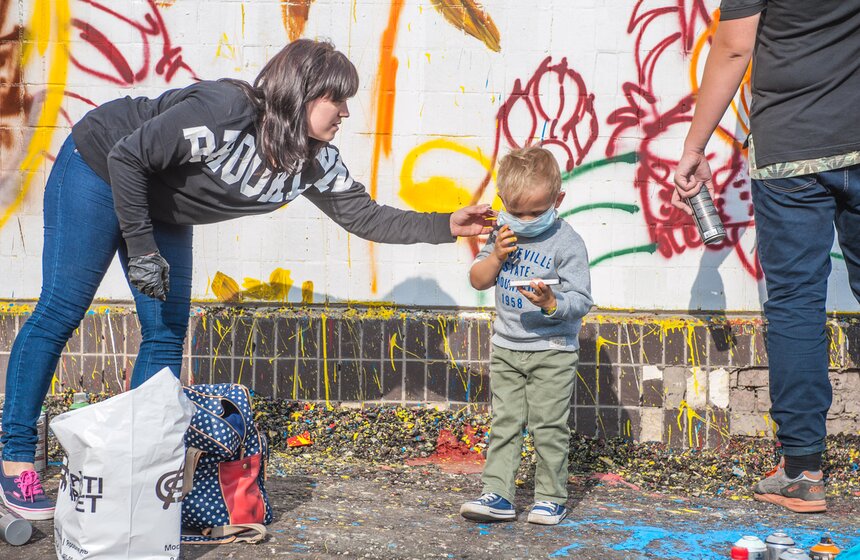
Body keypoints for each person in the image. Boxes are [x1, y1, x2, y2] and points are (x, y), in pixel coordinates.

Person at [0, 38, 494, 520]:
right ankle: (16, 459)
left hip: (166, 206)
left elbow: (366, 218)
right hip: (100, 168)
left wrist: (445, 224)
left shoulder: (313, 161)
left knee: (167, 331)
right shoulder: (226, 109)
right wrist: (143, 247)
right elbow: (128, 157)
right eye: (336, 99)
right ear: (301, 93)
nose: (345, 112)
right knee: (62, 309)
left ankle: (140, 467)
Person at [673, 1, 860, 514]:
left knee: (797, 303)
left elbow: (734, 46)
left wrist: (694, 147)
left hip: (792, 149)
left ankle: (802, 472)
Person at [459, 146, 593, 525]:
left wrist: (552, 303)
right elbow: (478, 279)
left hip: (552, 350)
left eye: (536, 211)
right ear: (503, 203)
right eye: (517, 211)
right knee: (504, 423)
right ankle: (498, 494)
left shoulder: (567, 242)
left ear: (558, 201)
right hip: (506, 347)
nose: (525, 219)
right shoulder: (502, 235)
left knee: (549, 427)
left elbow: (581, 300)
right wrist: (496, 256)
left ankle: (551, 497)